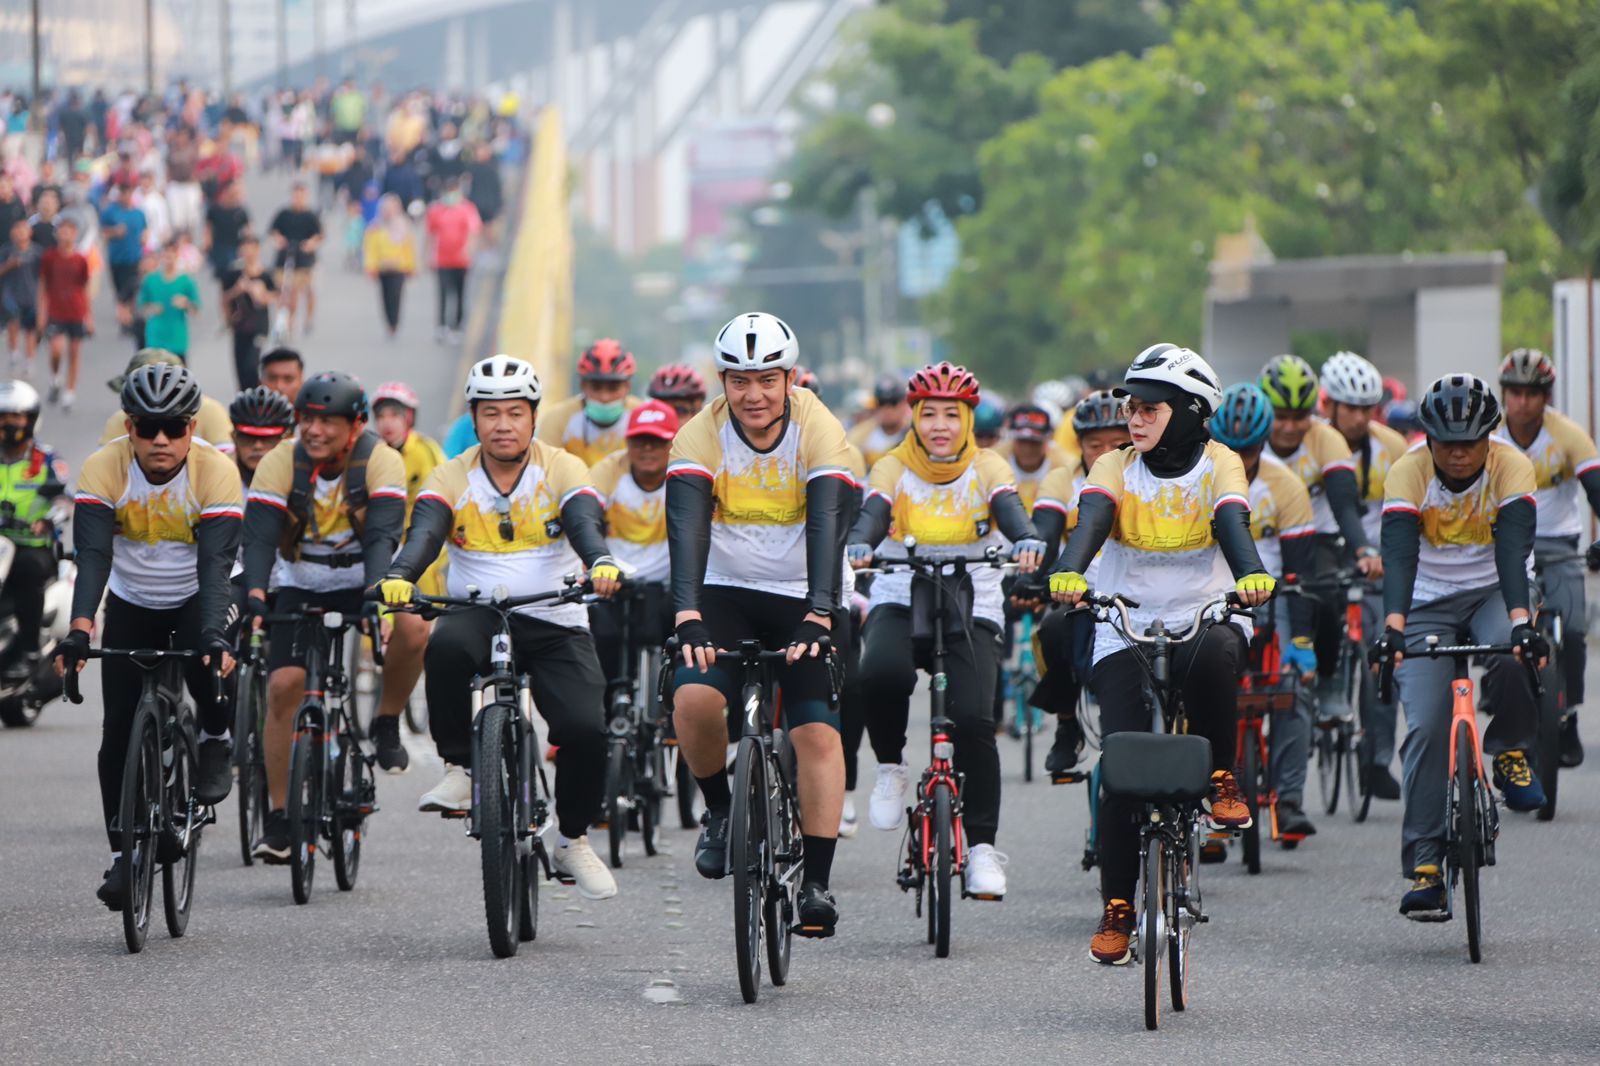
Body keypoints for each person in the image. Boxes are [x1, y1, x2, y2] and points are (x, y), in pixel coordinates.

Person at [1047, 343, 1270, 965]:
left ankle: (1220, 773)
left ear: (1191, 412)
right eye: (1131, 407)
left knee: (1218, 654)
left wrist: (1250, 575)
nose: (1135, 419)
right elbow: (1093, 520)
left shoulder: (1221, 463)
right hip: (1125, 621)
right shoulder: (1114, 465)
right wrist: (1070, 570)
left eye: (1150, 409)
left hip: (1205, 612)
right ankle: (1118, 907)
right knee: (1122, 764)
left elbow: (1231, 520)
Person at [376, 355, 622, 900]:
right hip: (478, 611)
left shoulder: (562, 467)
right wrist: (400, 575)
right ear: (474, 419)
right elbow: (426, 532)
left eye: (515, 413)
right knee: (444, 647)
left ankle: (573, 840)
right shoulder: (452, 474)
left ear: (533, 416)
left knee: (586, 729)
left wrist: (600, 561)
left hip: (556, 614)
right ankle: (460, 767)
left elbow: (584, 522)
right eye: (490, 413)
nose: (503, 425)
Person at [667, 311, 856, 937]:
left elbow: (828, 523)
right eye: (740, 381)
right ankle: (721, 810)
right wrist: (688, 614)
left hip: (804, 593)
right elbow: (686, 527)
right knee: (694, 698)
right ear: (722, 382)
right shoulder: (699, 433)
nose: (754, 395)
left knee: (816, 734)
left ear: (789, 379)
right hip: (725, 591)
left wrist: (820, 613)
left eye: (767, 380)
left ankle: (817, 884)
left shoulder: (818, 428)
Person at [846, 362, 1045, 899]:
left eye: (951, 415)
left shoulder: (987, 465)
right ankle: (891, 767)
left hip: (971, 597)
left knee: (975, 720)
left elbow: (1009, 509)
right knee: (879, 673)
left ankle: (981, 850)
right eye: (929, 414)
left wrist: (1026, 539)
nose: (940, 425)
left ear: (968, 420)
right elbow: (874, 511)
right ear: (914, 417)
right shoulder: (893, 465)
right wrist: (861, 541)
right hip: (899, 589)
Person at [57, 364, 241, 910]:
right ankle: (123, 854)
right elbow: (93, 557)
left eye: (175, 427)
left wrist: (214, 636)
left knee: (204, 663)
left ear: (192, 428)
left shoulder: (215, 471)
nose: (161, 439)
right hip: (132, 599)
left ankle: (214, 736)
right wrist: (79, 630)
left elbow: (215, 566)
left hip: (198, 594)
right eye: (147, 427)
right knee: (117, 731)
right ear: (129, 428)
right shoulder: (104, 467)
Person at [1370, 374, 1547, 918]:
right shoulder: (1407, 472)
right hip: (1426, 602)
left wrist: (1521, 624)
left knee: (1515, 653)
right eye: (1447, 443)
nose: (1459, 453)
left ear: (1489, 437)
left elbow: (1512, 552)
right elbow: (1399, 557)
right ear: (1428, 439)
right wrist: (1393, 630)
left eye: (1470, 442)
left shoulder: (1512, 466)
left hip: (1497, 591)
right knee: (1426, 725)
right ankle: (1425, 864)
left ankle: (1510, 751)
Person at [241, 372, 408, 862]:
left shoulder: (381, 460)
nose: (314, 430)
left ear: (355, 425)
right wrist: (256, 593)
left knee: (415, 626)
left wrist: (376, 599)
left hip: (363, 578)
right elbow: (260, 536)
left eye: (328, 422)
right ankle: (279, 818)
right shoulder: (280, 460)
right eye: (307, 419)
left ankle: (386, 720)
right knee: (283, 687)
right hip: (301, 580)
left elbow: (383, 536)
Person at [1209, 383, 1319, 842]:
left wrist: (1302, 643)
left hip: (1275, 599)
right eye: (1230, 449)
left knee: (1294, 686)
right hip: (1213, 598)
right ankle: (1203, 802)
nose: (1240, 459)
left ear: (1262, 444)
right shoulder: (1198, 480)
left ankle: (1289, 799)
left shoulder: (1285, 485)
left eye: (1249, 451)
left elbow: (1300, 576)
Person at [1258, 354, 1381, 726]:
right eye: (1281, 417)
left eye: (1300, 417)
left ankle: (1329, 681)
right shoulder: (1250, 437)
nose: (1290, 427)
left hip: (1318, 539)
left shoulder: (1326, 439)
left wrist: (1363, 549)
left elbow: (1344, 504)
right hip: (1264, 539)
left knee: (1326, 599)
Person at [1496, 348, 1600, 769]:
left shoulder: (1568, 435)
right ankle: (1498, 693)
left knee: (1572, 629)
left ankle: (1567, 713)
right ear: (1504, 395)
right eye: (1515, 393)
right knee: (1501, 629)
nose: (1523, 402)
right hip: (1506, 545)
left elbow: (1595, 488)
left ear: (1546, 397)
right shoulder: (1489, 438)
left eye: (1533, 393)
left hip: (1558, 545)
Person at [1026, 388, 1130, 776]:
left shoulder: (1149, 478)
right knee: (1053, 628)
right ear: (1079, 446)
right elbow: (1045, 534)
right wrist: (1032, 579)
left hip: (1143, 598)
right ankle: (1067, 723)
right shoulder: (1062, 480)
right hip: (1084, 597)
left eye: (1117, 444)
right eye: (1094, 445)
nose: (1105, 454)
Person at [1320, 350, 1410, 798]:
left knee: (1383, 654)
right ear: (1329, 405)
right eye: (1350, 408)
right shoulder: (1313, 443)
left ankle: (1376, 760)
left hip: (1375, 562)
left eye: (1366, 409)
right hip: (1323, 555)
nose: (1359, 418)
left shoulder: (1392, 447)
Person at [366, 381, 447, 773]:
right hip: (381, 542)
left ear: (409, 419)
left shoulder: (425, 452)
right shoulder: (370, 454)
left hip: (419, 546)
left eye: (395, 415)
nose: (387, 422)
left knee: (424, 621)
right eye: (381, 415)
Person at [0, 380, 66, 682]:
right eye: (3, 417)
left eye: (16, 416)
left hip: (32, 546)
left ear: (30, 419)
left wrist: (48, 520)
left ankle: (28, 650)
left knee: (27, 572)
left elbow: (66, 499)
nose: (9, 424)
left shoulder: (46, 459)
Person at [537, 340, 643, 466]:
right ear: (583, 386)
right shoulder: (556, 419)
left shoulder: (643, 416)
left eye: (613, 388)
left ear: (627, 387)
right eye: (596, 387)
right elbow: (546, 468)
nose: (604, 397)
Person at [99, 348, 234, 446]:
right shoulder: (119, 419)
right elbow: (103, 466)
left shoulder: (210, 411)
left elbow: (226, 462)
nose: (160, 441)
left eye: (175, 428)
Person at [39, 217, 90, 410]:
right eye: (62, 230)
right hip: (56, 310)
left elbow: (84, 287)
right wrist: (42, 312)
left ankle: (70, 391)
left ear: (75, 234)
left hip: (76, 310)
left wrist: (88, 315)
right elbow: (43, 285)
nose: (65, 234)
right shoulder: (50, 257)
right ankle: (55, 378)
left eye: (69, 231)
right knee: (56, 350)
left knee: (74, 353)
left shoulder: (80, 259)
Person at [423, 178, 480, 342]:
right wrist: (426, 255)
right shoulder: (436, 210)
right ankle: (441, 326)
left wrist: (469, 251)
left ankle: (457, 326)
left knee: (460, 293)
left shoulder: (468, 209)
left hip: (461, 260)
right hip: (442, 259)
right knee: (442, 292)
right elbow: (430, 234)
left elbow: (473, 232)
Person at [219, 234, 277, 390]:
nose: (247, 253)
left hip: (258, 327)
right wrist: (237, 290)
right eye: (244, 249)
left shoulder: (265, 274)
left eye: (250, 249)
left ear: (257, 250)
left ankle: (257, 394)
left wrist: (257, 292)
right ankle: (244, 396)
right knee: (240, 367)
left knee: (252, 365)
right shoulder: (233, 274)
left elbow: (274, 296)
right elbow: (224, 298)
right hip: (239, 326)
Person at [995, 403, 1074, 512]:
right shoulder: (993, 463)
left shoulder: (1067, 467)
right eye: (1022, 441)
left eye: (1034, 442)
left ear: (1048, 439)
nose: (1027, 449)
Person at [268, 182, 322, 335]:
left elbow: (318, 236)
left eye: (301, 196)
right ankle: (287, 321)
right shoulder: (283, 214)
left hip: (305, 259)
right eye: (296, 195)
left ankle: (308, 319)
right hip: (286, 256)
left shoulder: (311, 216)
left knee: (308, 291)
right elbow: (273, 231)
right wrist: (279, 240)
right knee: (286, 291)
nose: (298, 199)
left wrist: (310, 244)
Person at [136, 242, 200, 361]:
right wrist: (151, 307)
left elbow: (196, 310)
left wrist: (186, 303)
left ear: (177, 256)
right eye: (166, 256)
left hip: (177, 340)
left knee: (178, 371)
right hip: (155, 339)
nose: (168, 260)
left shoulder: (185, 281)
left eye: (171, 256)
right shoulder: (150, 280)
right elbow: (140, 306)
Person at [98, 185, 147, 341]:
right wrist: (114, 232)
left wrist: (144, 240)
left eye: (128, 193)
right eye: (123, 193)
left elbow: (145, 231)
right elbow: (102, 232)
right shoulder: (110, 212)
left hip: (134, 258)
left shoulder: (138, 213)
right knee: (120, 292)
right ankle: (124, 321)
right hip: (117, 258)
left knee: (132, 290)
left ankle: (131, 320)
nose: (126, 196)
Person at [363, 194, 416, 336]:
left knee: (396, 296)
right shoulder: (375, 227)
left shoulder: (404, 225)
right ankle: (389, 323)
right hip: (383, 268)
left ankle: (395, 322)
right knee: (385, 297)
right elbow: (370, 249)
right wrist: (371, 267)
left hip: (399, 268)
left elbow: (409, 248)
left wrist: (410, 266)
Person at [227, 385, 294, 486]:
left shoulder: (301, 476)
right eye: (248, 437)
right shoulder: (216, 474)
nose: (258, 446)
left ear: (287, 439)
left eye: (268, 439)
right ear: (233, 437)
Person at [0, 217, 41, 372]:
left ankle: (29, 360)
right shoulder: (6, 251)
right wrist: (9, 264)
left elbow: (43, 276)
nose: (19, 233)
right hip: (11, 294)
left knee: (30, 330)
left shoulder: (37, 252)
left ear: (30, 232)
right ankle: (13, 352)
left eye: (23, 229)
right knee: (13, 323)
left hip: (31, 294)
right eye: (16, 229)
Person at [848, 372, 912, 466]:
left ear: (904, 403)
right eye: (881, 403)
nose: (887, 409)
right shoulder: (859, 436)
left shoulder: (915, 434)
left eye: (893, 402)